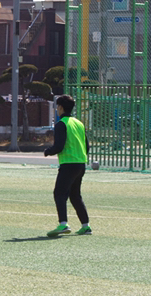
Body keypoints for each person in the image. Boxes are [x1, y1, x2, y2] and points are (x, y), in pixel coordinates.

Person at [43, 94, 91, 237]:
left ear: (61, 107)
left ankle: (63, 224)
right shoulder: (79, 123)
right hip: (80, 164)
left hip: (68, 164)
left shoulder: (61, 124)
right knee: (75, 195)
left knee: (59, 193)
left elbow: (59, 146)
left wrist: (48, 151)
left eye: (57, 107)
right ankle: (85, 226)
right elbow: (87, 146)